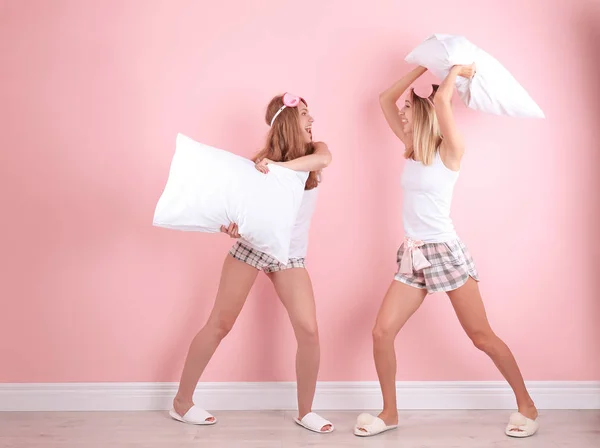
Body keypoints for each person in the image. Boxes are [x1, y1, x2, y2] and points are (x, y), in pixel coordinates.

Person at [354, 66, 539, 438]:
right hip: (413, 254)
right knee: (381, 332)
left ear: (423, 114)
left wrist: (453, 70)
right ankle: (389, 413)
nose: (402, 113)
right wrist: (420, 66)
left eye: (409, 109)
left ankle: (527, 405)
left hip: (445, 251)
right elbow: (384, 99)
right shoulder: (410, 149)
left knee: (481, 336)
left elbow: (440, 100)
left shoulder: (450, 152)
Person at [170, 93, 335, 434]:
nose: (311, 120)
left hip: (289, 255)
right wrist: (234, 228)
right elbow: (246, 214)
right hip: (252, 249)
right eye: (304, 114)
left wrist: (279, 169)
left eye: (310, 113)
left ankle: (305, 411)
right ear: (288, 122)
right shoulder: (257, 165)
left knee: (309, 329)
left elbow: (323, 161)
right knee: (220, 323)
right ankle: (181, 403)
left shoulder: (315, 151)